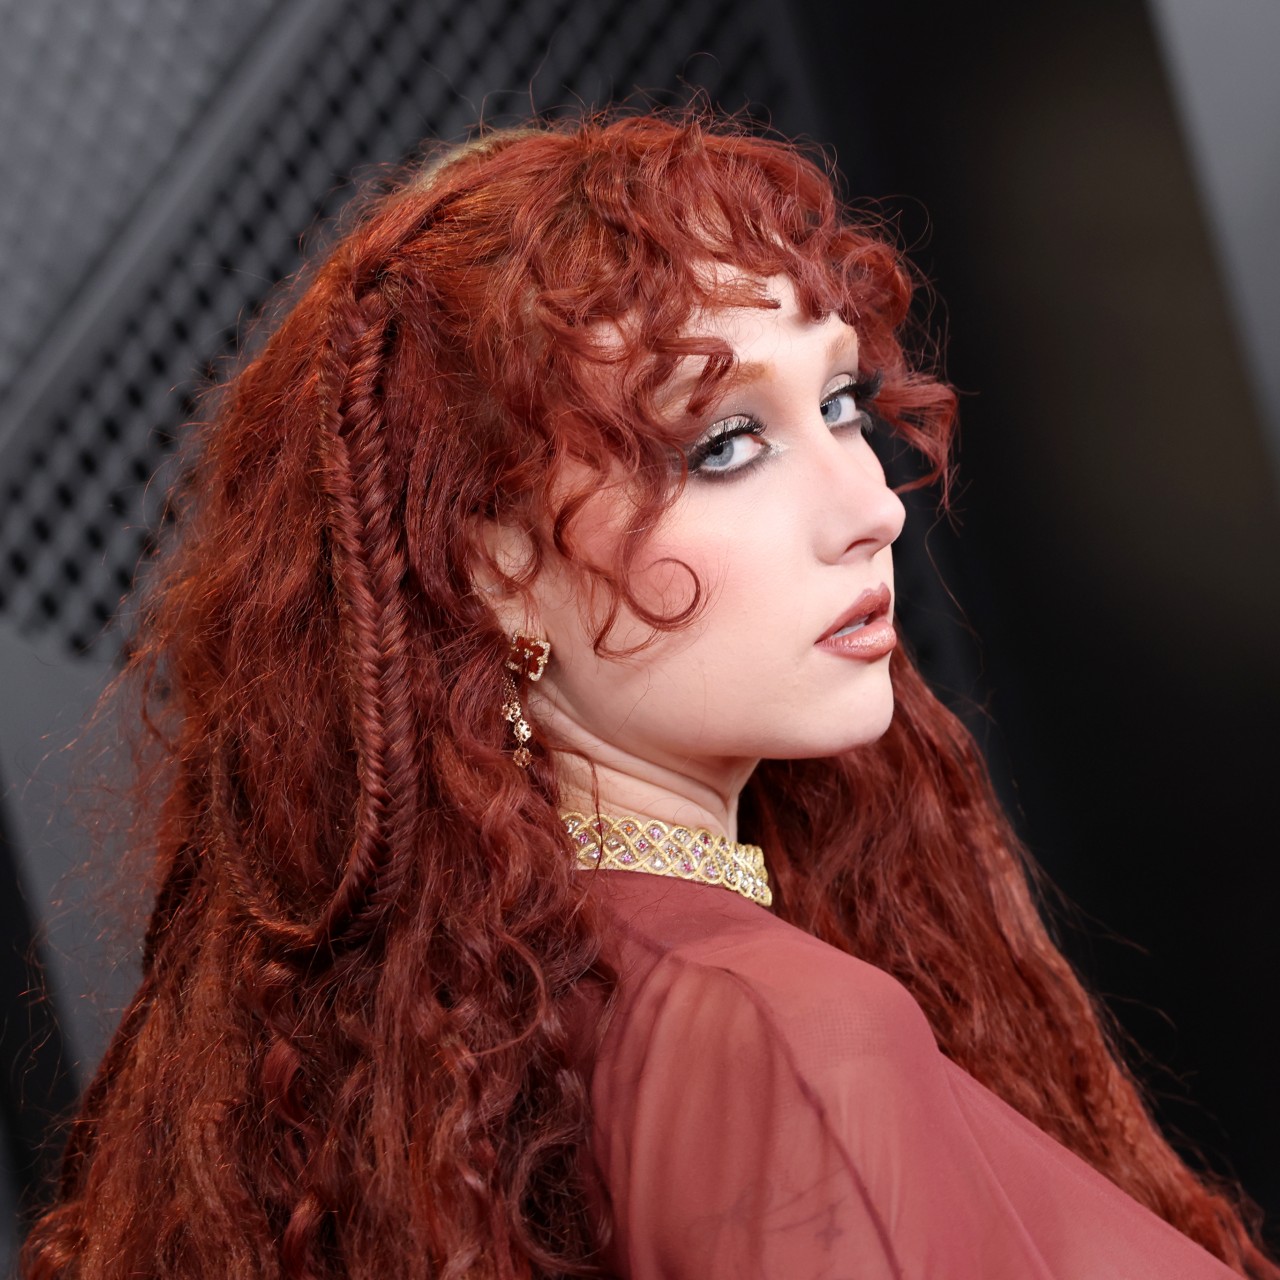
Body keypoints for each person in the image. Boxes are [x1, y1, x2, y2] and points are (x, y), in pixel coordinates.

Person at [20, 112, 1276, 1279]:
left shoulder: (483, 1045)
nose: (866, 507)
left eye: (840, 403)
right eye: (721, 443)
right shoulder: (777, 1031)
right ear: (494, 567)